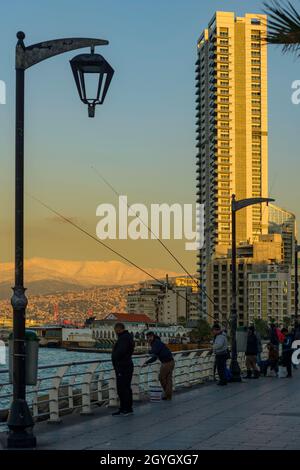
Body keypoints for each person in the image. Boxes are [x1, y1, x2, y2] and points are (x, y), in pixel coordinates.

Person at [111, 323, 135, 416]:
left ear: (119, 329)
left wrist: (115, 357)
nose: (115, 332)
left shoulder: (124, 338)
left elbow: (121, 352)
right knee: (126, 387)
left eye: (115, 330)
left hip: (123, 366)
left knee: (122, 388)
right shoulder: (127, 337)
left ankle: (125, 409)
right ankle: (126, 408)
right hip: (126, 365)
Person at [143, 332, 175, 400]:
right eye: (147, 338)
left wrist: (148, 352)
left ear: (152, 336)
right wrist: (147, 362)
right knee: (168, 379)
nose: (148, 339)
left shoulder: (156, 342)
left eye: (149, 337)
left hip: (167, 363)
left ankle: (167, 394)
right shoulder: (157, 342)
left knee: (161, 378)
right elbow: (155, 356)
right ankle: (168, 395)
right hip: (170, 361)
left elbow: (155, 351)